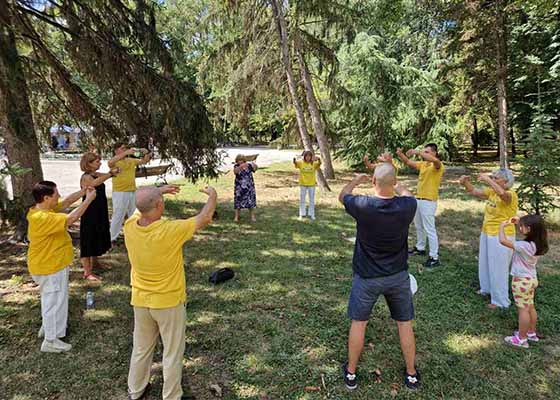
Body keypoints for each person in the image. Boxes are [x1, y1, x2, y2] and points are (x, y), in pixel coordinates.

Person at [124, 184, 217, 400]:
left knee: (141, 348)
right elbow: (205, 217)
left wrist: (158, 192)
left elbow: (141, 207)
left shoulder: (130, 225)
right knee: (172, 352)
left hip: (140, 300)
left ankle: (136, 390)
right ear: (159, 205)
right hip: (168, 302)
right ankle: (172, 396)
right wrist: (212, 195)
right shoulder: (170, 230)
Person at [339, 162, 420, 391]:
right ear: (393, 183)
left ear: (373, 182)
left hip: (367, 277)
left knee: (359, 323)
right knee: (404, 324)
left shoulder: (363, 205)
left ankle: (352, 373)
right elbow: (408, 194)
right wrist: (397, 181)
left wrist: (356, 180)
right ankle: (411, 374)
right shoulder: (407, 206)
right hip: (397, 276)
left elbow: (343, 195)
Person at [27, 181, 97, 352]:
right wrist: (88, 200)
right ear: (46, 198)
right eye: (56, 194)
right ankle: (51, 340)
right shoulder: (43, 218)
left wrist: (83, 192)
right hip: (50, 266)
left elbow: (66, 203)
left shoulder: (43, 209)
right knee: (55, 302)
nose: (59, 196)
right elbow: (71, 218)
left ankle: (47, 327)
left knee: (49, 299)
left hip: (50, 264)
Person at [459, 168, 518, 309]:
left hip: (502, 235)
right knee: (485, 263)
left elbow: (503, 194)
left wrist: (487, 179)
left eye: (496, 178)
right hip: (487, 232)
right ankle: (486, 289)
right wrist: (465, 182)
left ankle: (500, 301)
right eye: (493, 177)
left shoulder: (511, 194)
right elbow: (474, 191)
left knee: (498, 268)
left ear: (506, 181)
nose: (493, 179)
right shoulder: (492, 192)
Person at [499, 215, 549, 348]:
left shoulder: (523, 246)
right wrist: (519, 221)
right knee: (530, 307)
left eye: (522, 226)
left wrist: (501, 227)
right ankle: (531, 333)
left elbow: (503, 241)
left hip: (521, 281)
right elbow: (531, 225)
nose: (520, 228)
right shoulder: (537, 244)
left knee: (523, 310)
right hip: (531, 279)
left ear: (530, 229)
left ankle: (521, 339)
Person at [396, 144, 445, 268]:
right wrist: (400, 154)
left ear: (434, 153)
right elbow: (408, 162)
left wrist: (417, 152)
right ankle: (420, 247)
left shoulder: (437, 165)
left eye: (427, 152)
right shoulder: (424, 165)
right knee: (418, 225)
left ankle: (434, 257)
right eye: (424, 152)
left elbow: (435, 161)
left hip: (429, 201)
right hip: (418, 199)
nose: (425, 154)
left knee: (430, 229)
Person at [79, 152, 120, 282]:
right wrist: (110, 174)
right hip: (89, 212)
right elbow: (95, 183)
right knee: (88, 239)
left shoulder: (95, 173)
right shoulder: (86, 177)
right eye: (97, 162)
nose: (100, 163)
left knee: (97, 236)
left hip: (99, 211)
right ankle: (87, 272)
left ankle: (95, 263)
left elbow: (104, 177)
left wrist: (114, 172)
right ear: (89, 164)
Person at [108, 143, 151, 244]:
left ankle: (135, 234)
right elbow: (110, 162)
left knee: (134, 214)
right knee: (118, 215)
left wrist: (147, 153)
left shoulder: (130, 160)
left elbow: (144, 161)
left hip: (132, 191)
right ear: (116, 150)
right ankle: (111, 238)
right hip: (120, 192)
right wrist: (126, 152)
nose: (125, 150)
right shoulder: (115, 161)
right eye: (122, 148)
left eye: (125, 148)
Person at [293, 150, 321, 220]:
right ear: (304, 157)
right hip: (303, 184)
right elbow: (295, 163)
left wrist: (318, 159)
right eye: (306, 156)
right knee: (302, 200)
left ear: (311, 157)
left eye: (309, 156)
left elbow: (319, 163)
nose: (308, 158)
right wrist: (295, 159)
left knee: (311, 200)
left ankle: (311, 214)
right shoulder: (301, 163)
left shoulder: (314, 164)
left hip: (311, 184)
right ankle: (301, 214)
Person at [233, 154, 258, 222]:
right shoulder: (236, 166)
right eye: (238, 160)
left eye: (241, 160)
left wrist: (253, 164)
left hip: (249, 187)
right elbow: (235, 172)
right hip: (239, 187)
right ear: (237, 161)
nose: (240, 161)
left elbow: (255, 169)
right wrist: (241, 166)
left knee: (250, 202)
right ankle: (236, 217)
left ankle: (252, 217)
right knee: (238, 201)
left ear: (244, 160)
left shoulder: (248, 166)